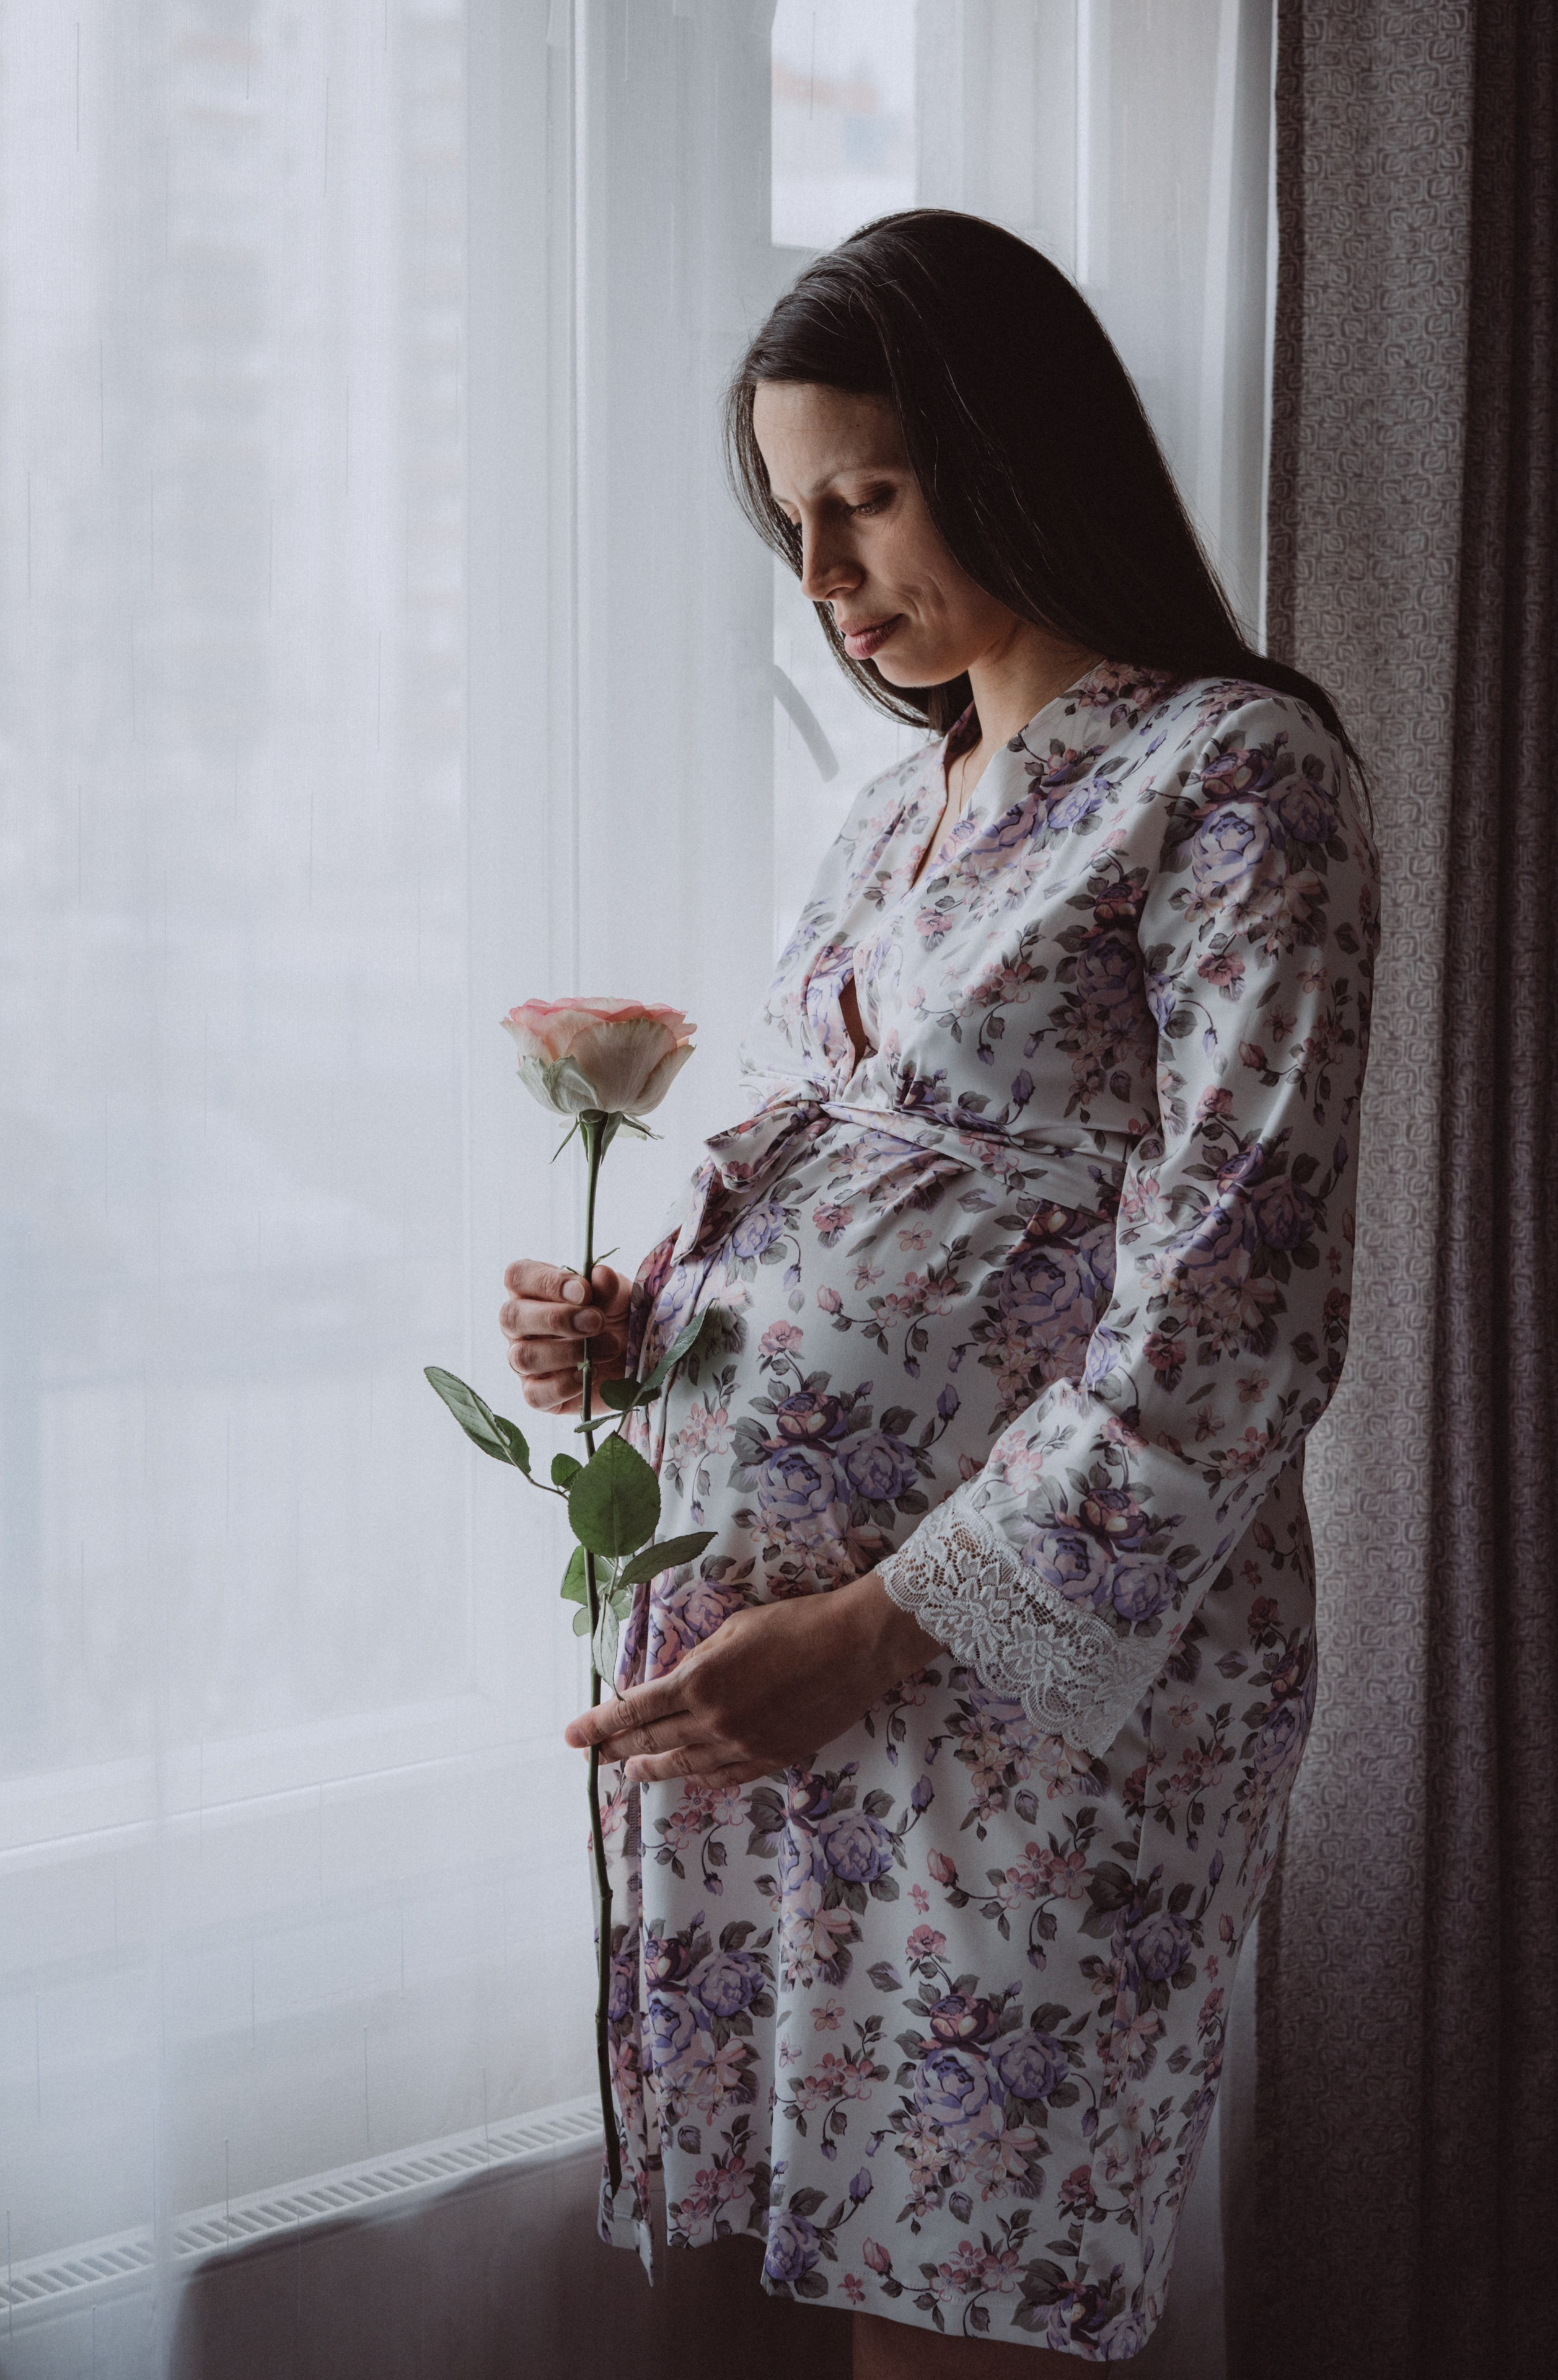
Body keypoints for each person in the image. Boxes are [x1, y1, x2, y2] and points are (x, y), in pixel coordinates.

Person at [500, 212, 1378, 2371]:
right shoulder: (901, 814)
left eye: (866, 497)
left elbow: (1236, 1309)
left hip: (1029, 1675)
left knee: (958, 2301)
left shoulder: (1235, 776)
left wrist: (883, 1628)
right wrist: (657, 1321)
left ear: (1012, 442)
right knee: (812, 2273)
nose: (826, 577)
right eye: (795, 522)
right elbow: (897, 1180)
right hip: (792, 1670)